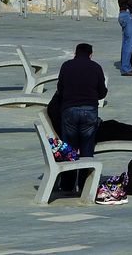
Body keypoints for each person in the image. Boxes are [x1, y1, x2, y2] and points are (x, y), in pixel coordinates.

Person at [56, 43, 108, 190]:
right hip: (89, 111)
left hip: (69, 110)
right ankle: (84, 185)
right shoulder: (96, 67)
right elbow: (102, 93)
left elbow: (60, 89)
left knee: (69, 149)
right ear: (91, 54)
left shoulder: (66, 66)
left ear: (75, 53)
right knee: (87, 149)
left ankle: (67, 185)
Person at [48, 93, 132, 144]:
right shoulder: (56, 106)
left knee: (113, 125)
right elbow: (63, 128)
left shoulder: (61, 101)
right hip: (83, 137)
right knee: (113, 128)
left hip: (86, 131)